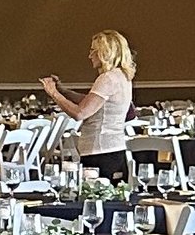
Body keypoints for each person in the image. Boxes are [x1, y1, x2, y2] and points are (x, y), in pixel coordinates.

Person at [43, 29, 135, 180]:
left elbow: (80, 113)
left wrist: (54, 93)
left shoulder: (107, 79)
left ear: (105, 52)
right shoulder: (122, 76)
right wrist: (63, 91)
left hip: (100, 153)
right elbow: (91, 102)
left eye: (94, 51)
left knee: (94, 200)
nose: (89, 55)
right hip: (115, 151)